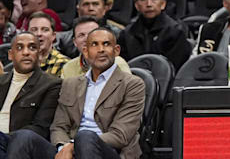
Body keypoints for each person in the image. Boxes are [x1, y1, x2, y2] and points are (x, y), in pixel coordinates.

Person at [22, 28, 143, 159]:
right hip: (69, 150)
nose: (101, 49)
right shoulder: (71, 84)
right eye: (94, 44)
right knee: (24, 137)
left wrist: (73, 146)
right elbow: (59, 126)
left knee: (85, 136)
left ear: (116, 50)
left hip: (111, 152)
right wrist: (63, 147)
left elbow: (121, 135)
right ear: (85, 51)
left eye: (106, 44)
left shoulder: (132, 84)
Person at [0, 32, 61, 157]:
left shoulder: (51, 84)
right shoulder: (1, 82)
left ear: (39, 54)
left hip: (25, 144)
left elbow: (41, 128)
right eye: (20, 48)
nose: (26, 52)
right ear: (11, 55)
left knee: (23, 136)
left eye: (32, 48)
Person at [118, 0, 189, 70]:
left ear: (163, 4)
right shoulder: (127, 33)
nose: (149, 4)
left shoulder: (175, 31)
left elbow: (176, 67)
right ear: (137, 6)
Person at [60, 17, 131, 79]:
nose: (87, 39)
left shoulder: (117, 63)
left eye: (92, 33)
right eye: (81, 35)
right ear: (75, 42)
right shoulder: (68, 67)